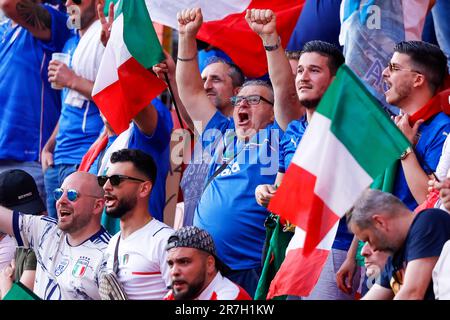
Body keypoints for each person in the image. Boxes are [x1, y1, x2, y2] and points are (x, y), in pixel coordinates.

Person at [248, 9, 355, 299]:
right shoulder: (294, 131)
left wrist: (354, 255)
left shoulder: (351, 129)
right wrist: (267, 192)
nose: (302, 78)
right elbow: (283, 194)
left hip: (336, 248)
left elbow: (363, 200)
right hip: (297, 247)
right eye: (300, 71)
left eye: (315, 70)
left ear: (336, 81)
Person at [176, 8, 282, 297]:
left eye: (254, 100)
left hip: (249, 267)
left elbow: (285, 90)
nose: (242, 106)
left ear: (275, 113)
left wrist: (269, 40)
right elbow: (190, 92)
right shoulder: (221, 134)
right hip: (207, 267)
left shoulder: (281, 138)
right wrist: (186, 38)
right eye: (239, 100)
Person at [0, 0, 71, 201]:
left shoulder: (56, 17)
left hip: (29, 159)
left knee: (24, 232)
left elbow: (8, 4)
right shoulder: (4, 28)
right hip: (4, 152)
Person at [0, 171, 110, 300]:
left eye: (72, 195)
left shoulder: (107, 256)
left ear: (97, 206)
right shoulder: (45, 230)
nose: (61, 201)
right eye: (59, 193)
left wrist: (4, 282)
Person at [42, 0, 105, 219]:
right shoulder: (70, 43)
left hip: (85, 156)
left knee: (81, 237)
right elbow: (70, 104)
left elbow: (114, 98)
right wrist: (48, 147)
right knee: (54, 244)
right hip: (58, 159)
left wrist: (72, 80)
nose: (69, 3)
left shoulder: (103, 40)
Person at [383, 41, 450, 210]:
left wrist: (404, 150)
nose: (385, 73)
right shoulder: (396, 123)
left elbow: (432, 203)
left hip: (417, 233)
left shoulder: (444, 129)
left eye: (394, 68)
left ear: (418, 79)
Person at [347, 189, 450, 300]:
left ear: (380, 222)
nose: (367, 249)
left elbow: (412, 294)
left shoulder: (429, 222)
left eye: (368, 239)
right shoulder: (395, 254)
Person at [101, 149, 173, 300]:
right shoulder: (113, 242)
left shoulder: (166, 240)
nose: (106, 187)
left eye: (116, 180)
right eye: (103, 179)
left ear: (144, 188)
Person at [164, 226, 251, 300]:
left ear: (210, 264)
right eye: (171, 264)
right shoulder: (177, 293)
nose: (174, 272)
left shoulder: (229, 297)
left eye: (184, 262)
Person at [0, 169, 47, 297]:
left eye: (33, 211)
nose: (28, 218)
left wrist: (5, 282)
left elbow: (15, 298)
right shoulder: (19, 239)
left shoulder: (40, 242)